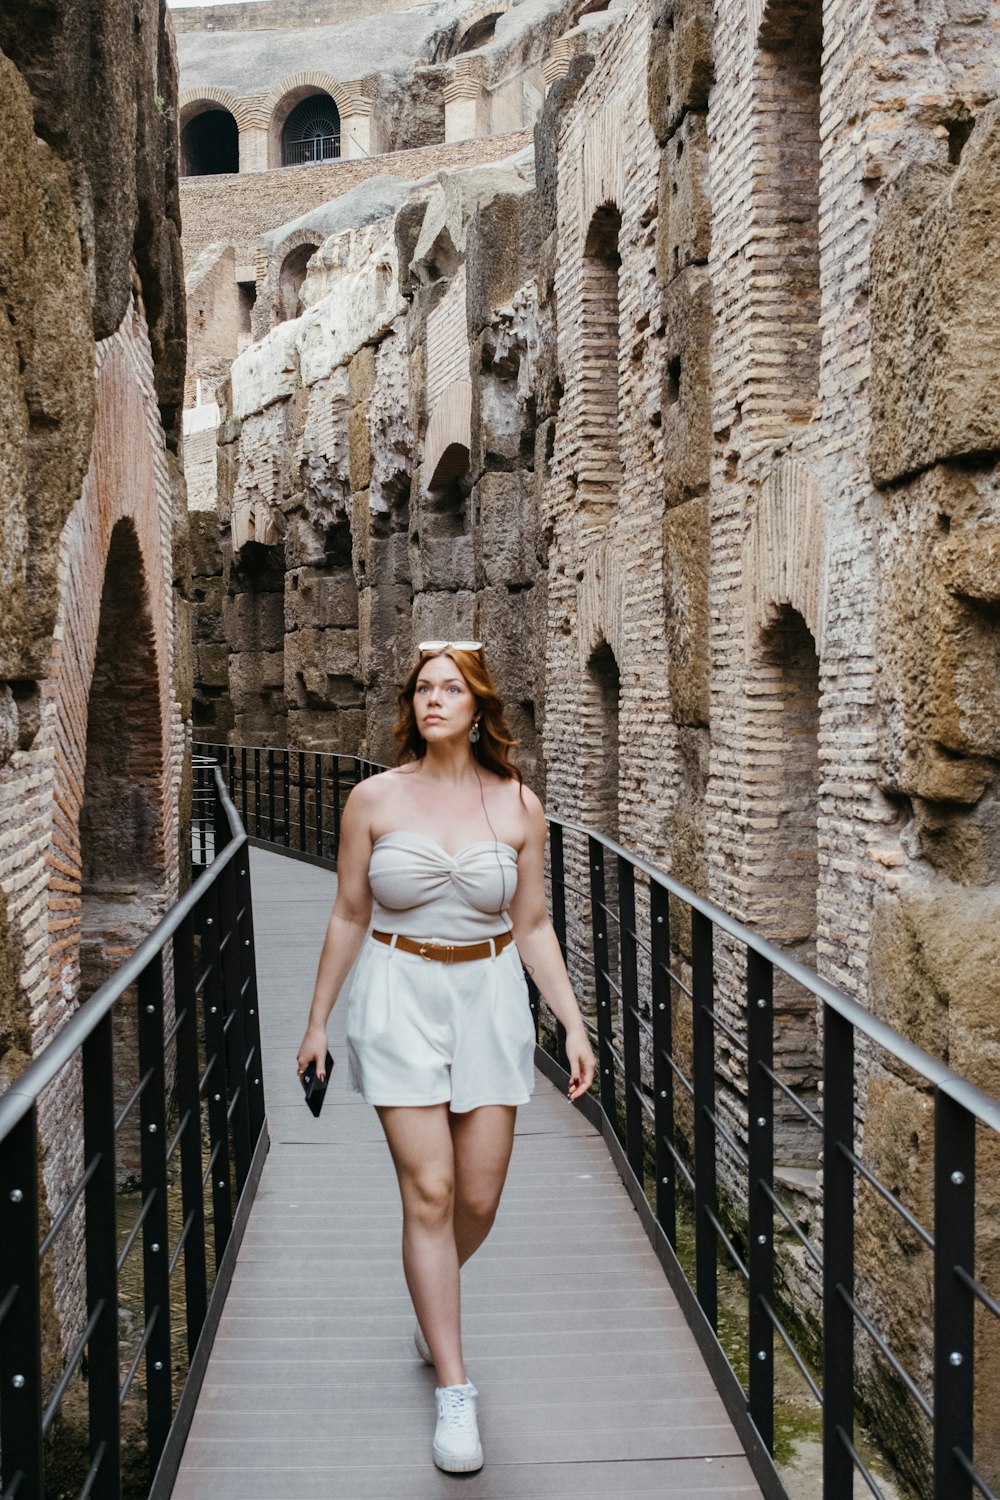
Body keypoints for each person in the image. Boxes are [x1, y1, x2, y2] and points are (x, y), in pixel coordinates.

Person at [295, 641, 597, 1474]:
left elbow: (532, 925)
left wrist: (572, 1024)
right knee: (428, 1191)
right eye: (423, 689)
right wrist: (317, 1021)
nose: (434, 701)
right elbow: (349, 914)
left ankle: (433, 1298)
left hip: (491, 999)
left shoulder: (519, 806)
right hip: (396, 997)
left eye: (450, 690)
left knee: (478, 1195)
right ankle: (455, 1389)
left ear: (478, 706)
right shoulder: (373, 799)